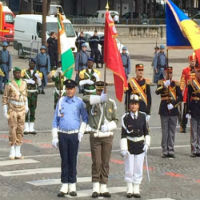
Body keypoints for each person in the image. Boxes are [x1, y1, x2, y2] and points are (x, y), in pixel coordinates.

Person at [52, 79, 88, 197]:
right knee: (64, 160)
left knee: (72, 159)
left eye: (71, 88)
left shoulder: (79, 102)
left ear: (75, 89)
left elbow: (85, 118)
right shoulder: (61, 101)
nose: (69, 91)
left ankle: (72, 184)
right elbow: (55, 120)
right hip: (62, 134)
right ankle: (64, 184)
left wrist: (81, 133)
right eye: (67, 89)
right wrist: (54, 136)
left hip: (74, 134)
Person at [83, 81, 118, 198]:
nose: (101, 92)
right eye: (98, 90)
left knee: (105, 162)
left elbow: (116, 119)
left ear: (106, 90)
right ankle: (95, 186)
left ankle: (104, 185)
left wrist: (108, 126)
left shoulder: (111, 103)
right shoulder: (92, 102)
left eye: (102, 90)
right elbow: (84, 98)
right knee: (96, 162)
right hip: (96, 135)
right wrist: (98, 98)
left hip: (107, 136)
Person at [120, 94, 150, 198]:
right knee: (129, 168)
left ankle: (136, 187)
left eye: (135, 104)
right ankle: (129, 187)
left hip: (140, 145)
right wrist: (124, 148)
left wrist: (147, 143)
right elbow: (123, 134)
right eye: (132, 104)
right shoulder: (125, 117)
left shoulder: (143, 116)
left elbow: (146, 132)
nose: (133, 106)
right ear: (129, 106)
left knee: (138, 167)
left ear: (138, 106)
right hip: (130, 145)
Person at [155, 66, 182, 158]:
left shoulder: (176, 84)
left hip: (173, 110)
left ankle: (171, 149)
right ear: (165, 73)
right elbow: (157, 92)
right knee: (165, 131)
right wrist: (164, 86)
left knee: (172, 131)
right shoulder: (161, 82)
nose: (169, 74)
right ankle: (164, 150)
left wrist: (174, 104)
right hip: (164, 109)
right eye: (168, 73)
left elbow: (180, 97)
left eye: (171, 73)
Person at [2, 67, 28, 159]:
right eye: (16, 73)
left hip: (22, 109)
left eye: (19, 73)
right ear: (13, 74)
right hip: (12, 109)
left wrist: (27, 106)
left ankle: (18, 150)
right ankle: (12, 150)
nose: (18, 74)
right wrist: (5, 111)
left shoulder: (24, 83)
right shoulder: (9, 84)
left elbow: (25, 95)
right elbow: (5, 98)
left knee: (20, 129)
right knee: (13, 129)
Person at [22, 59, 42, 135]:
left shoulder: (37, 73)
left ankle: (32, 127)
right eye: (30, 63)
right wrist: (29, 81)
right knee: (26, 110)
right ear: (29, 64)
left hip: (34, 94)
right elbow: (22, 81)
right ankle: (26, 128)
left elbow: (39, 84)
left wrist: (38, 79)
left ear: (35, 64)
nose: (32, 65)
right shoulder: (25, 72)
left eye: (33, 63)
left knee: (33, 110)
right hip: (27, 93)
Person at [179, 54, 196, 133]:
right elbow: (182, 81)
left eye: (194, 61)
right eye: (192, 61)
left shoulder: (198, 70)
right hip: (187, 92)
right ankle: (183, 126)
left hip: (196, 92)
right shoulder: (185, 70)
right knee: (185, 110)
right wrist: (181, 91)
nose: (193, 63)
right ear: (189, 61)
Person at [187, 64, 200, 157]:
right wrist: (188, 110)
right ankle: (194, 149)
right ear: (195, 72)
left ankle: (199, 148)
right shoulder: (192, 83)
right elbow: (188, 97)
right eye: (198, 71)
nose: (199, 73)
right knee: (194, 130)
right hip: (194, 107)